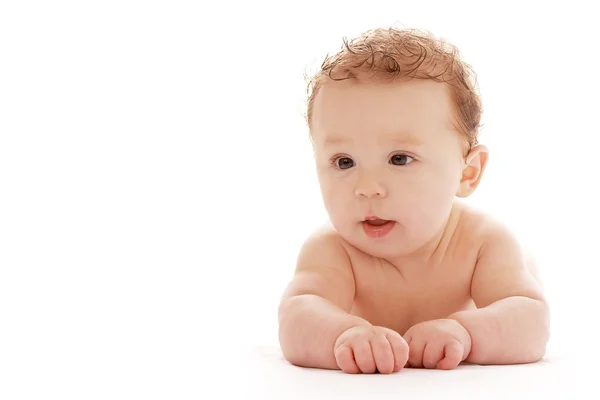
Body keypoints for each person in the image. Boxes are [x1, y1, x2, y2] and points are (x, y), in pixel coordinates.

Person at [277, 27, 549, 374]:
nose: (368, 187)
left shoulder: (482, 243)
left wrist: (465, 332)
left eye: (399, 159)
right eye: (344, 162)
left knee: (525, 272)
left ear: (467, 173)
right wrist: (344, 335)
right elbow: (297, 315)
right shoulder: (332, 249)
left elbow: (531, 321)